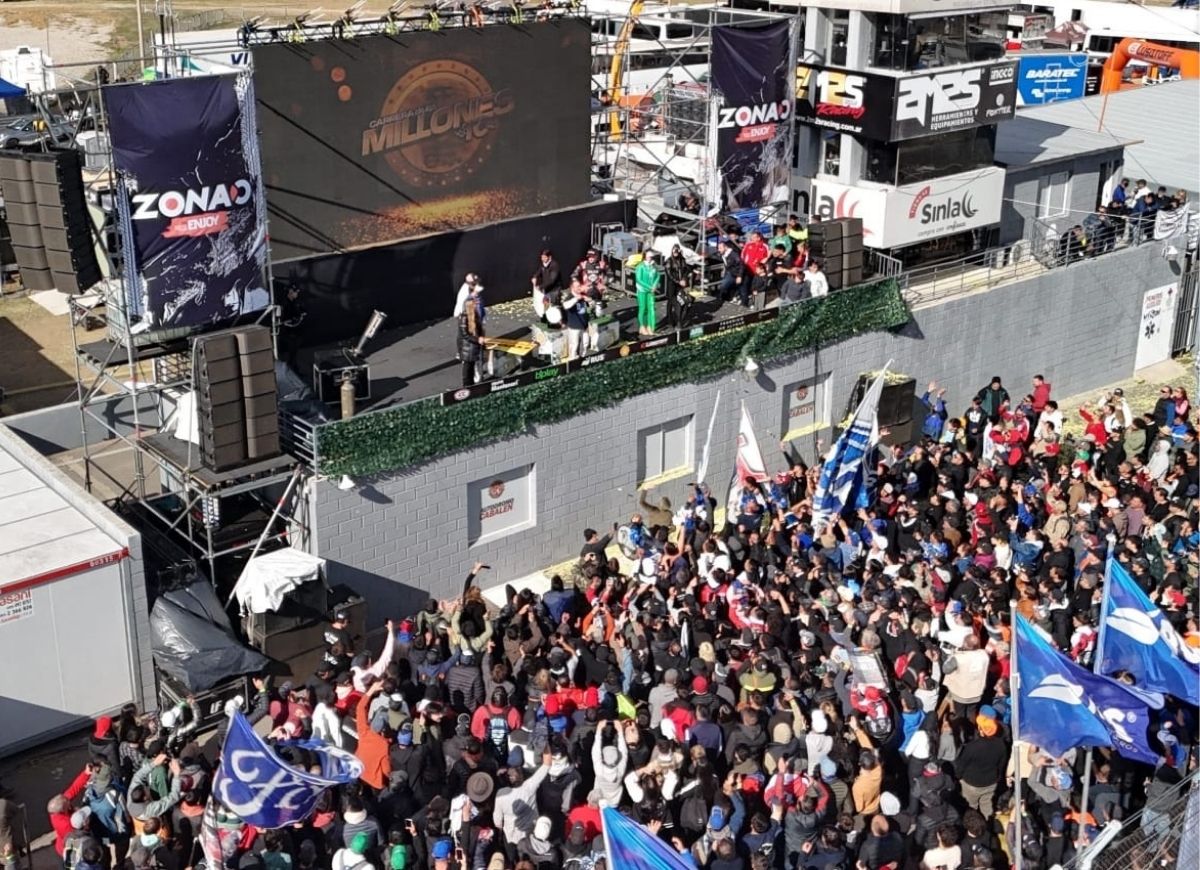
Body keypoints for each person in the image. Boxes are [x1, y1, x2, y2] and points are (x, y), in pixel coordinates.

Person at [457, 282, 485, 387]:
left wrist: (480, 337)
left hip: (473, 347)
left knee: (471, 368)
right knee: (467, 369)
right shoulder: (464, 317)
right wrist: (478, 339)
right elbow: (465, 334)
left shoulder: (475, 317)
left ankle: (471, 385)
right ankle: (466, 387)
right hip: (467, 348)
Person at [532, 250, 564, 322]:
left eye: (544, 257)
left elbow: (552, 280)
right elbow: (539, 271)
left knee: (554, 305)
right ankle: (545, 318)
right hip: (547, 289)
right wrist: (535, 277)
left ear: (549, 257)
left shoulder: (554, 266)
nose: (542, 259)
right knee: (546, 303)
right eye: (542, 257)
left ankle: (559, 321)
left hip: (555, 289)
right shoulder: (544, 265)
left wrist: (541, 287)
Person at [634, 252, 661, 336]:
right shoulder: (640, 266)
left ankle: (650, 326)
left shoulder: (654, 266)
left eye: (651, 257)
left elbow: (658, 275)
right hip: (642, 290)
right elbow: (639, 279)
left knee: (651, 308)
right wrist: (650, 287)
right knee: (643, 308)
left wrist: (655, 285)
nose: (650, 258)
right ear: (645, 257)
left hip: (651, 291)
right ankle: (642, 326)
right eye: (648, 257)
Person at [563, 282, 592, 359]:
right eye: (577, 286)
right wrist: (576, 299)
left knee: (585, 343)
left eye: (580, 286)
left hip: (584, 325)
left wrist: (590, 301)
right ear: (572, 288)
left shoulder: (583, 295)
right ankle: (572, 359)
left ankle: (583, 357)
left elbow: (588, 309)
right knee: (574, 344)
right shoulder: (570, 297)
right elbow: (565, 305)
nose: (579, 288)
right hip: (574, 326)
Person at [717, 239, 743, 303]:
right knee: (726, 287)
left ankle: (721, 299)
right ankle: (726, 299)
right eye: (718, 248)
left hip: (735, 273)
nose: (719, 250)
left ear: (725, 247)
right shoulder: (723, 254)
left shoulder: (733, 255)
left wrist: (739, 276)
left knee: (723, 286)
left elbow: (741, 265)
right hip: (729, 272)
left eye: (720, 248)